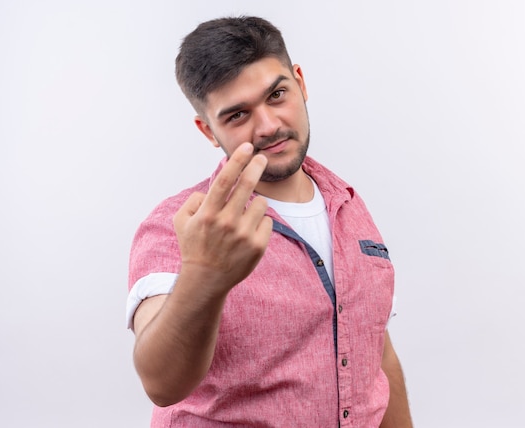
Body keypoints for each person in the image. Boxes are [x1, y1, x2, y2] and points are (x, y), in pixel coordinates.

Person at [126, 15, 413, 427]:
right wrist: (203, 275)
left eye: (277, 95)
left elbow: (376, 355)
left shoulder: (349, 207)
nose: (269, 126)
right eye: (238, 116)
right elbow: (161, 382)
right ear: (207, 130)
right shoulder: (179, 226)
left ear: (300, 82)